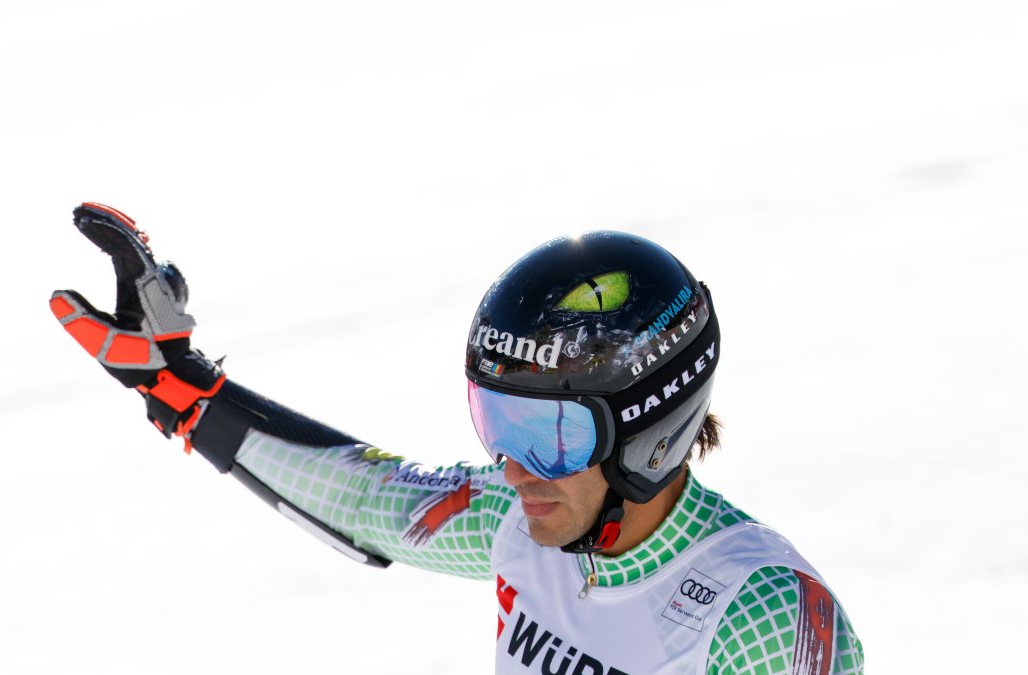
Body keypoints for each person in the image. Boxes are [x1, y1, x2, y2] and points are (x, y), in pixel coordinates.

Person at [51, 202, 864, 674]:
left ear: (650, 427)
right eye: (495, 424)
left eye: (545, 433)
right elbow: (369, 499)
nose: (512, 468)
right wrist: (183, 387)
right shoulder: (527, 524)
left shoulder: (762, 612)